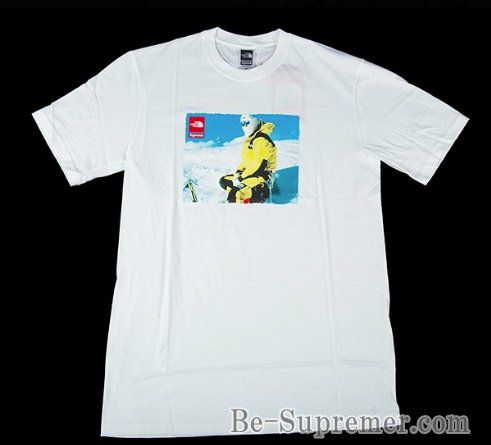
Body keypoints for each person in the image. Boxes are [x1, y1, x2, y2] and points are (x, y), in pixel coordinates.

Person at [219, 114, 277, 203]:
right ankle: (243, 197)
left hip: (260, 178)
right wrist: (238, 173)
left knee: (236, 193)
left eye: (247, 122)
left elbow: (259, 166)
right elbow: (245, 162)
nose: (245, 125)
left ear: (254, 121)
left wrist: (241, 178)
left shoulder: (261, 140)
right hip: (249, 175)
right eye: (243, 123)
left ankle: (240, 199)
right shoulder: (251, 140)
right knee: (224, 181)